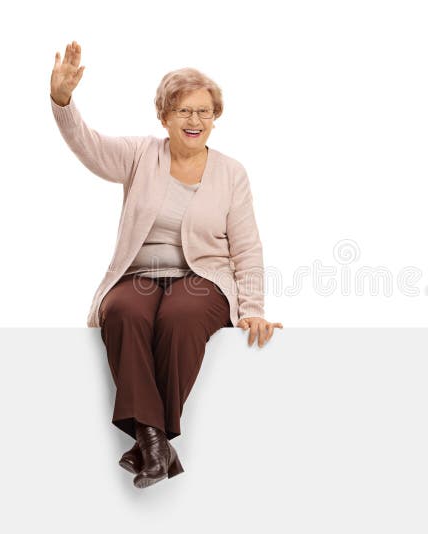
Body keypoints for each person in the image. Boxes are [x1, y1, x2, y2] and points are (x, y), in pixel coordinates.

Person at [49, 40, 283, 489]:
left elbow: (247, 247)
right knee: (122, 312)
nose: (195, 121)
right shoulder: (140, 154)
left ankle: (149, 439)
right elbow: (88, 145)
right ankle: (156, 442)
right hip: (139, 274)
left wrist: (252, 308)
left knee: (181, 315)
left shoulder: (231, 173)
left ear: (215, 117)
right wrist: (63, 101)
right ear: (164, 118)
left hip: (203, 277)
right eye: (183, 112)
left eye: (204, 112)